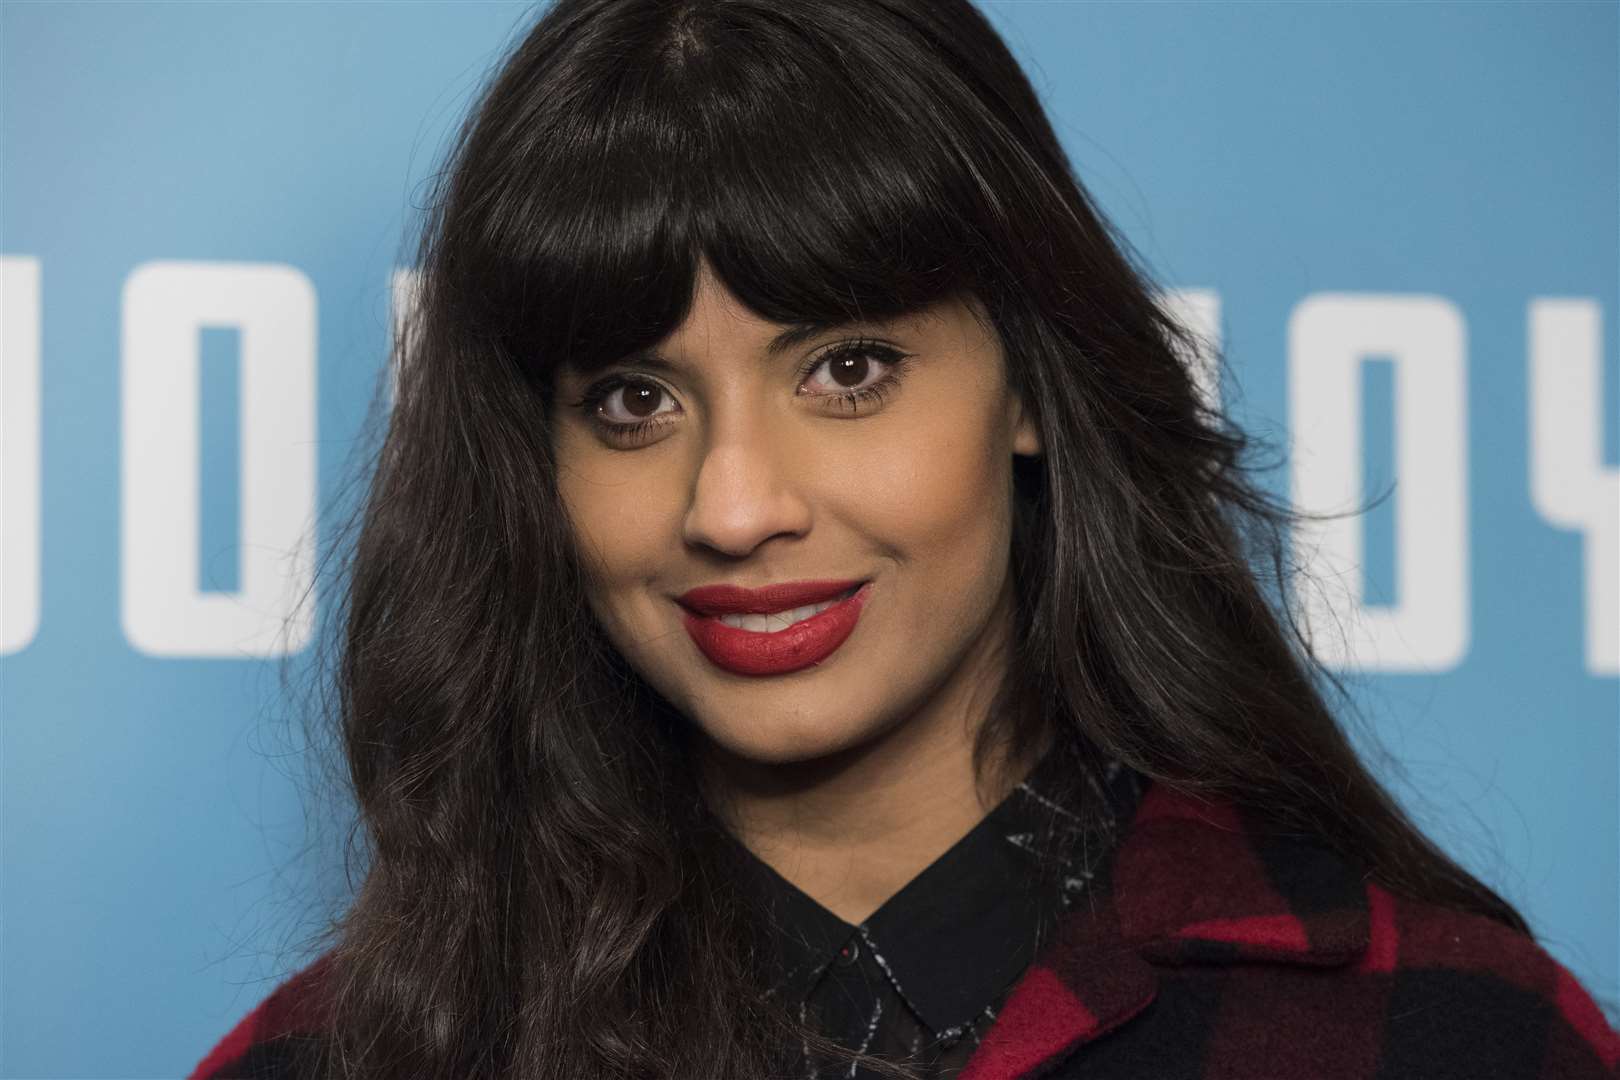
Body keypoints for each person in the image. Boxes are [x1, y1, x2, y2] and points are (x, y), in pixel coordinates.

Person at [190, 1, 1619, 1078]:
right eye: (632, 399)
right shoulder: (343, 1062)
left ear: (1030, 382)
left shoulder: (1446, 1034)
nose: (735, 506)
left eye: (849, 371)